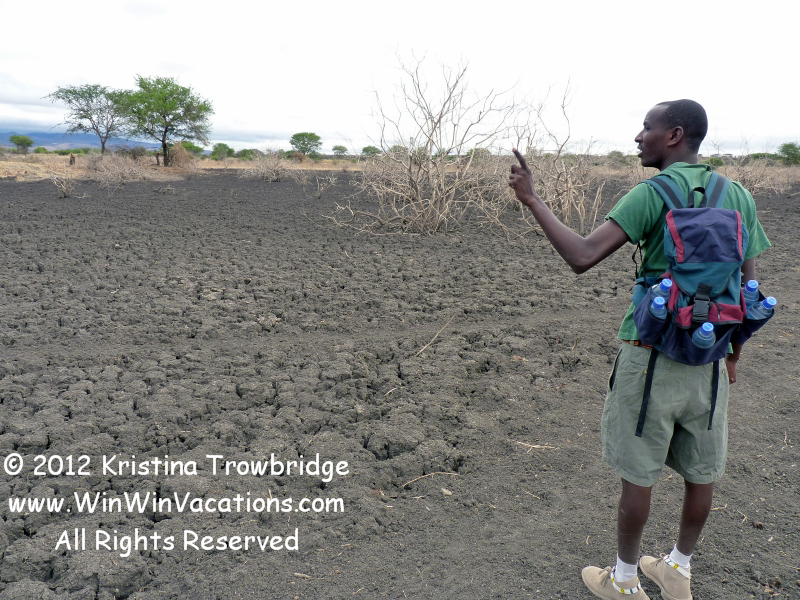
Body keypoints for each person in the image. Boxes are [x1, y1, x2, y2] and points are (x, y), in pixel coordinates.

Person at [508, 99, 770, 600]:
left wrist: (534, 200)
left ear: (673, 135)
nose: (637, 136)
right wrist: (732, 354)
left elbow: (582, 256)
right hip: (710, 356)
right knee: (701, 474)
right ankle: (678, 570)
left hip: (650, 354)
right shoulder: (738, 195)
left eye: (646, 127)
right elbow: (747, 289)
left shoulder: (652, 194)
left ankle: (625, 581)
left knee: (638, 475)